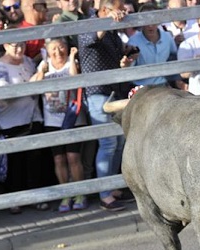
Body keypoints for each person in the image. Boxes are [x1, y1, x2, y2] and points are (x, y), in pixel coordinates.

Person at [78, 0, 135, 211]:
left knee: (119, 143)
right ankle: (104, 194)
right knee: (108, 144)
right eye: (118, 10)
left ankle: (112, 188)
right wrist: (109, 21)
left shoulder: (112, 31)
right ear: (105, 10)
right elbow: (92, 39)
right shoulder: (89, 24)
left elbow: (115, 57)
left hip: (114, 90)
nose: (123, 14)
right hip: (97, 93)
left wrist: (126, 60)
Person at [0, 33, 47, 214]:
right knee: (15, 164)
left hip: (32, 118)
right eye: (14, 45)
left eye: (21, 45)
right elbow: (3, 93)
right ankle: (14, 200)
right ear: (5, 45)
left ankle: (35, 198)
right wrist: (34, 81)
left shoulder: (28, 62)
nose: (18, 49)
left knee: (35, 161)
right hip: (10, 122)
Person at [36, 38, 88, 212]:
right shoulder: (44, 65)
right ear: (47, 51)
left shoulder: (71, 63)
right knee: (59, 158)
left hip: (73, 117)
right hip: (52, 120)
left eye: (61, 47)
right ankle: (66, 194)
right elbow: (33, 86)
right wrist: (42, 72)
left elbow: (75, 79)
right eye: (53, 49)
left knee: (73, 157)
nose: (58, 52)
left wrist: (72, 58)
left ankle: (80, 193)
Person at [126, 2, 177, 87]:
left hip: (163, 86)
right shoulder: (133, 41)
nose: (150, 25)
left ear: (158, 21)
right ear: (141, 22)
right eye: (146, 21)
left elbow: (174, 57)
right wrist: (128, 61)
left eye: (153, 20)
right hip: (141, 88)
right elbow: (129, 67)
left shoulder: (167, 37)